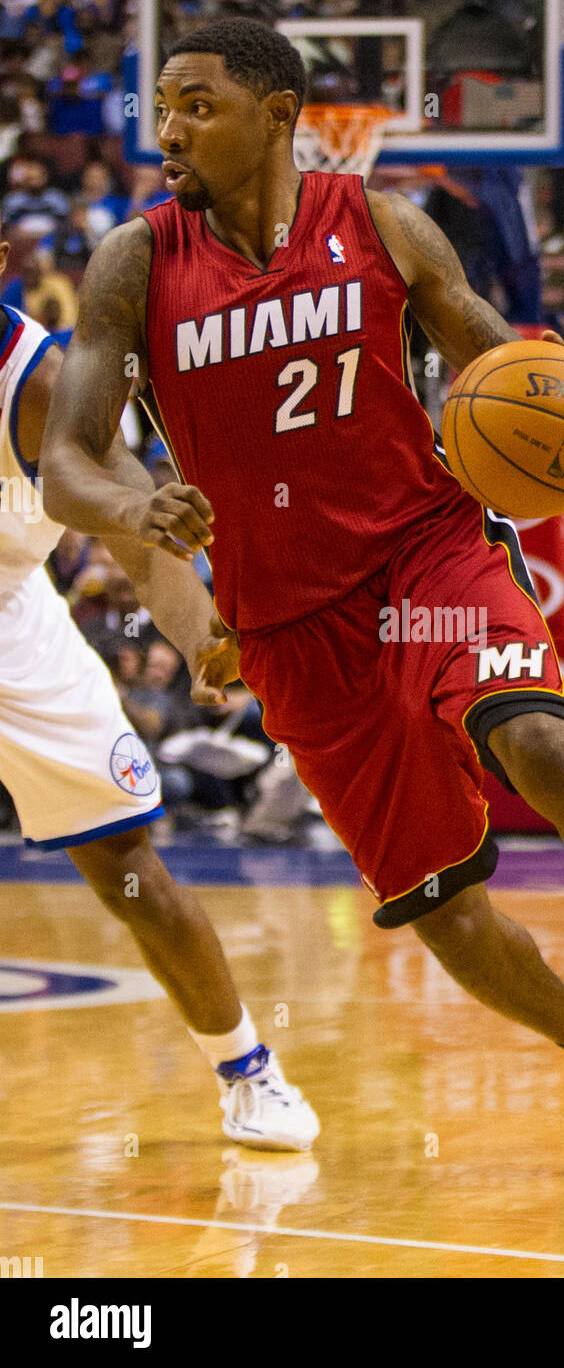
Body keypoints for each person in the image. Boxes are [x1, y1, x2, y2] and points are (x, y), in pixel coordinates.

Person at [40, 17, 564, 1175]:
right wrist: (128, 508)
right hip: (289, 628)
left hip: (427, 553)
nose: (170, 130)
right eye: (162, 105)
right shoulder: (135, 261)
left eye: (197, 103)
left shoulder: (382, 225)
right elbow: (66, 460)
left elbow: (505, 367)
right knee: (441, 909)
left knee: (545, 750)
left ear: (281, 116)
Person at [0, 225, 318, 1153]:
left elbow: (140, 534)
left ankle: (247, 1069)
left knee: (127, 865)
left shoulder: (47, 387)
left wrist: (199, 640)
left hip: (11, 614)